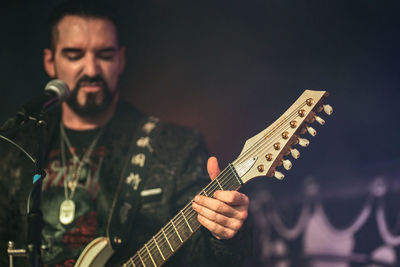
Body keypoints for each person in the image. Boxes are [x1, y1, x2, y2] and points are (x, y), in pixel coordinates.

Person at [0, 1, 251, 266]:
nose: (92, 70)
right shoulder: (16, 150)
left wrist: (224, 237)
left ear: (121, 59)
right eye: (75, 55)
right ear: (50, 62)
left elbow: (205, 258)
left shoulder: (173, 147)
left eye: (105, 55)